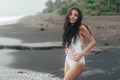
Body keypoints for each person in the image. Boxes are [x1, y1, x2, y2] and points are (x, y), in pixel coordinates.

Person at [62, 7, 96, 80]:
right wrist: (66, 49)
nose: (72, 16)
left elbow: (93, 42)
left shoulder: (81, 27)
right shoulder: (68, 28)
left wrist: (81, 53)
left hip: (78, 61)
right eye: (70, 14)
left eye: (75, 15)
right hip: (68, 59)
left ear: (78, 17)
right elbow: (68, 43)